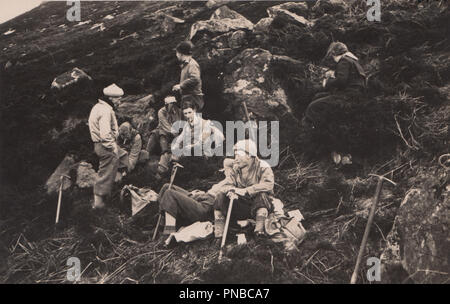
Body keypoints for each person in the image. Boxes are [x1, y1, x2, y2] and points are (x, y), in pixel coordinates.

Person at [213, 139, 275, 238]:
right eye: (235, 155)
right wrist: (231, 190)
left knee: (261, 195)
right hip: (243, 206)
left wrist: (246, 191)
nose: (236, 158)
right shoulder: (236, 168)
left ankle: (259, 232)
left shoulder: (263, 166)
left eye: (238, 155)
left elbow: (268, 185)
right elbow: (226, 184)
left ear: (249, 155)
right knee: (220, 196)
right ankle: (219, 234)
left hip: (260, 206)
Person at [304, 42, 367, 128]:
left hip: (348, 96)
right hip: (356, 95)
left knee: (313, 107)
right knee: (318, 96)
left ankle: (309, 132)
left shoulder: (344, 60)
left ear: (334, 53)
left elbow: (341, 81)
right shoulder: (354, 61)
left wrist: (327, 82)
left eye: (332, 56)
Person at [88, 83, 123, 209]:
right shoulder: (105, 110)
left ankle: (111, 190)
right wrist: (112, 146)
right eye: (118, 98)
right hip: (104, 146)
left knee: (115, 164)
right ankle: (98, 204)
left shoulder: (99, 107)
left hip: (99, 145)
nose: (120, 101)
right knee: (105, 172)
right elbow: (105, 134)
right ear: (111, 98)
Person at [157, 180, 227, 237]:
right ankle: (163, 224)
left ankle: (169, 230)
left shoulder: (233, 181)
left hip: (206, 206)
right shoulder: (227, 179)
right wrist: (199, 194)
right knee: (166, 186)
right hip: (202, 197)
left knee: (169, 193)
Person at [146, 96, 182, 176]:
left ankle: (168, 157)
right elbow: (164, 124)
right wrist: (173, 131)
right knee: (157, 134)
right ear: (166, 105)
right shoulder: (161, 112)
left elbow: (179, 122)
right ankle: (149, 154)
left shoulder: (178, 111)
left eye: (173, 103)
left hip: (174, 131)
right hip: (163, 129)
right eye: (170, 104)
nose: (172, 106)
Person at [172, 41, 204, 111]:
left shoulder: (192, 64)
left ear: (181, 54)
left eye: (177, 53)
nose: (176, 55)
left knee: (193, 120)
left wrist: (180, 85)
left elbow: (195, 79)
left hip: (193, 98)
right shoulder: (186, 64)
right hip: (188, 97)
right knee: (188, 120)